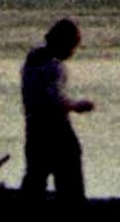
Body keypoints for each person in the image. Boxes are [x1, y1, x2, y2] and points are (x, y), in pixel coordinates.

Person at [20, 18, 95, 202]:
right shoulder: (54, 66)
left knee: (36, 176)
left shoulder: (32, 60)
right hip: (55, 130)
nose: (73, 52)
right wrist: (78, 106)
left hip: (34, 127)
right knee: (70, 178)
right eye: (72, 47)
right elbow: (54, 100)